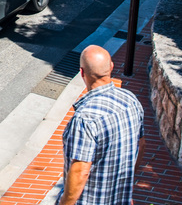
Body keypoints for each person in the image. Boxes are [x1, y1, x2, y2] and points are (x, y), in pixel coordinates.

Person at [56, 45, 145, 205]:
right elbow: (141, 145)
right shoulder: (130, 101)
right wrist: (126, 185)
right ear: (111, 66)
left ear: (82, 73)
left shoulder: (85, 118)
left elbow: (80, 171)